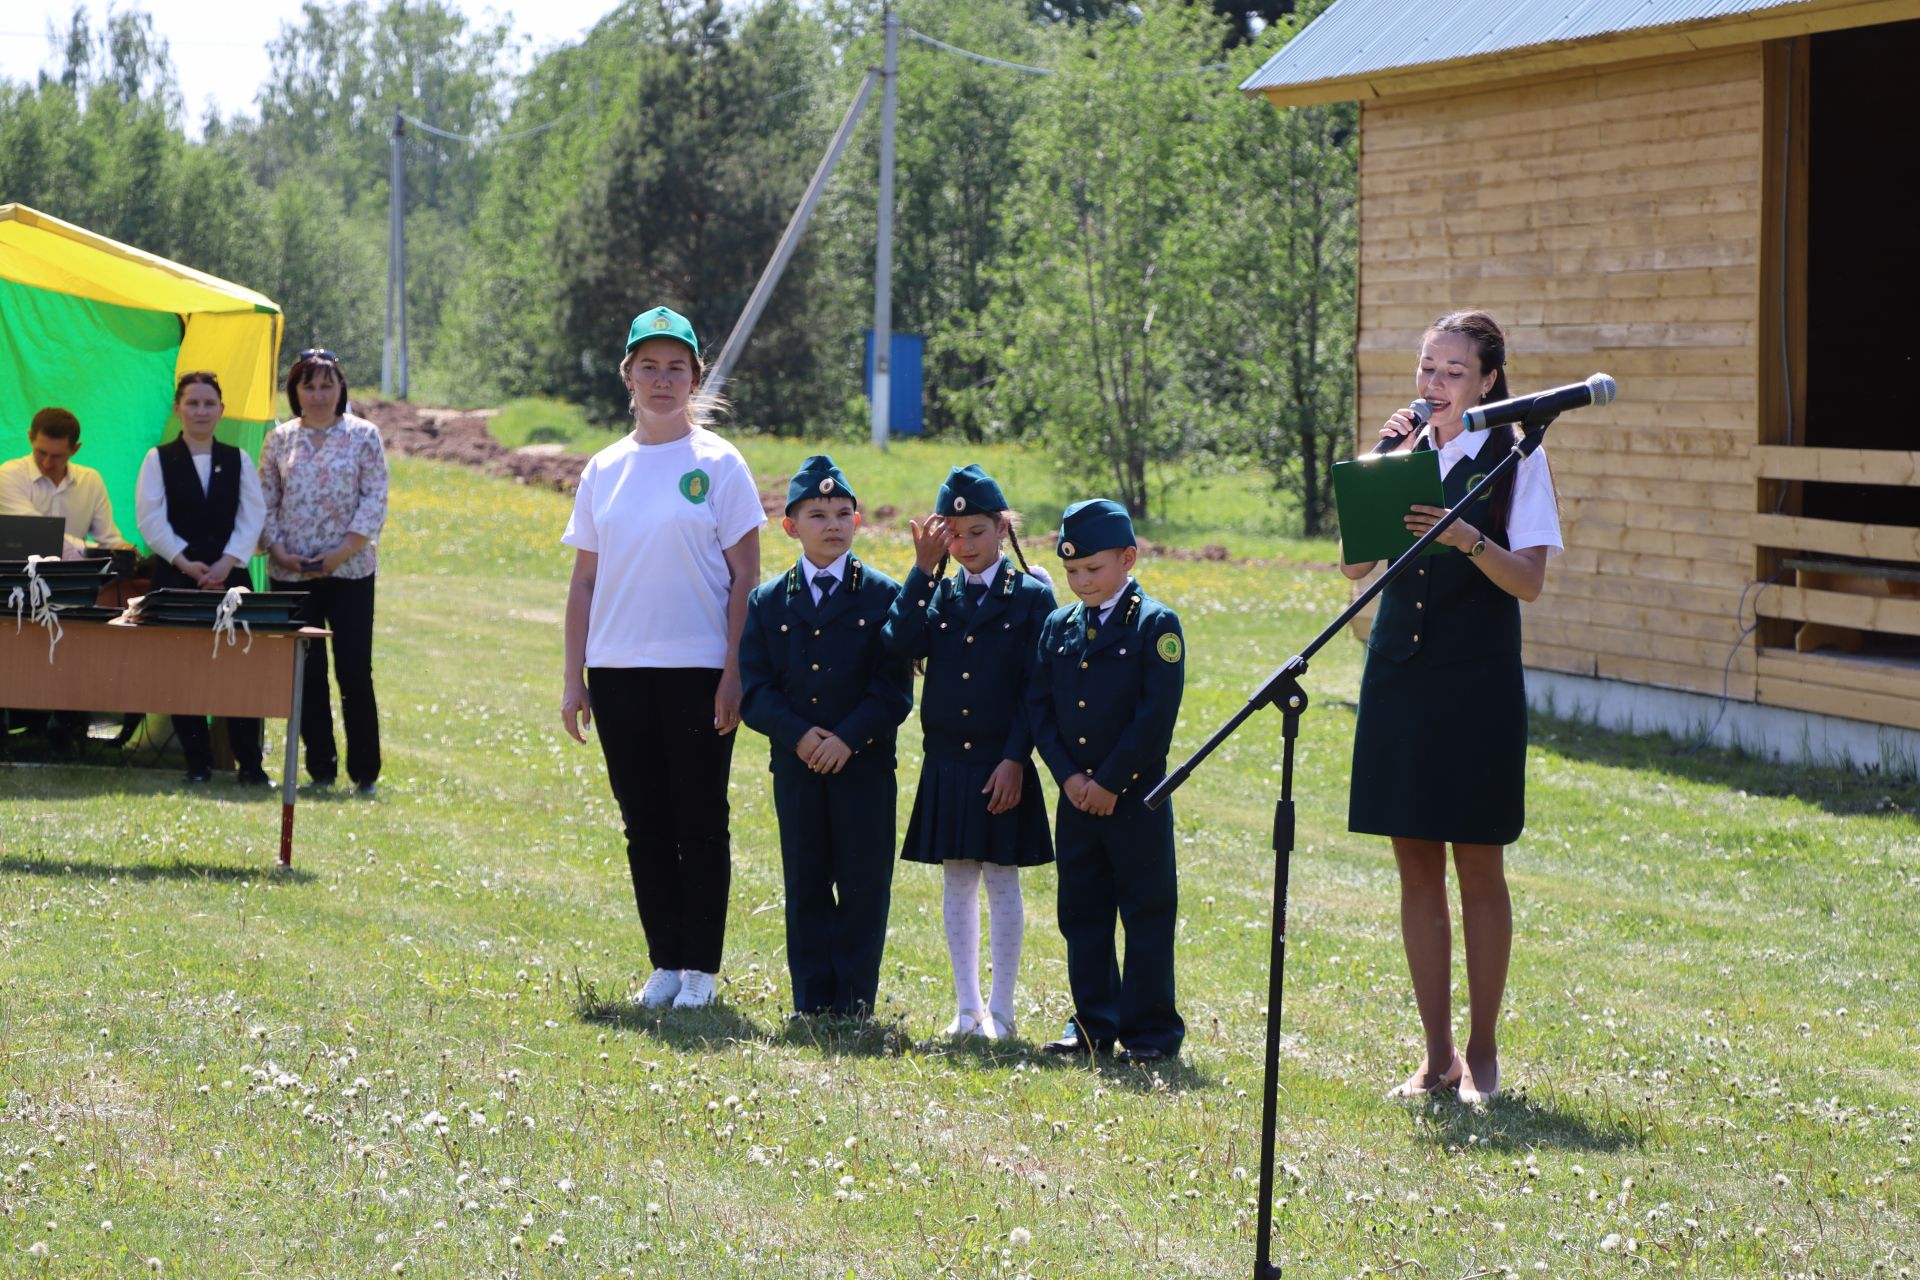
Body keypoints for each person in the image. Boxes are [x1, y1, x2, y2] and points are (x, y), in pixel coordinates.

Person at [1340, 309, 1563, 1105]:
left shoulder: (1516, 457)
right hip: (1400, 674)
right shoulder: (1399, 451)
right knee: (1414, 867)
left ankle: (1484, 1051)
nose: (1434, 386)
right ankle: (1435, 1058)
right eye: (1427, 369)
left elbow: (1529, 582)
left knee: (1479, 864)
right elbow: (1354, 564)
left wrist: (1466, 538)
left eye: (1452, 372)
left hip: (1476, 684)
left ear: (1489, 381)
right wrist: (1382, 460)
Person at [561, 306, 766, 1012]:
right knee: (643, 823)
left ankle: (701, 970)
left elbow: (747, 578)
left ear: (695, 377)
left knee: (698, 820)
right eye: (648, 366)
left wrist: (735, 672)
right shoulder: (605, 468)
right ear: (627, 375)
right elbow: (584, 580)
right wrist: (573, 679)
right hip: (617, 671)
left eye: (675, 366)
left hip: (701, 671)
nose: (661, 379)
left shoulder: (719, 464)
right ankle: (664, 963)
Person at [882, 464, 1055, 1040]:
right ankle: (967, 1010)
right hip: (948, 760)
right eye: (953, 534)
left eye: (977, 531)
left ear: (1003, 529)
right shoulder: (939, 593)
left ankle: (1002, 1015)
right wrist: (922, 570)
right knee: (957, 879)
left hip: (1002, 761)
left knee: (1002, 879)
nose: (966, 545)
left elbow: (1038, 689)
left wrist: (1015, 758)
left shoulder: (1031, 596)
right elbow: (895, 644)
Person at [739, 455, 912, 1020]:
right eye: (817, 514)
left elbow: (893, 691)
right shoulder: (768, 600)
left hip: (862, 767)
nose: (832, 524)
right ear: (791, 527)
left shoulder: (882, 595)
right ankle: (811, 1001)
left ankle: (855, 1002)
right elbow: (755, 690)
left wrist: (846, 740)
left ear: (857, 521)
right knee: (806, 881)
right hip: (796, 767)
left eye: (843, 513)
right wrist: (799, 736)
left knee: (863, 885)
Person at [1028, 499, 1186, 1065]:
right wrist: (1069, 777)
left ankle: (1149, 1031)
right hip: (1075, 800)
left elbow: (1154, 717)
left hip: (1135, 799)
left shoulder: (1154, 624)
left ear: (1128, 558)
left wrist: (1110, 782)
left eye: (1093, 569)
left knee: (1145, 910)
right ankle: (1094, 1022)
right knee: (1083, 912)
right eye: (1071, 571)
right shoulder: (1057, 625)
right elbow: (1039, 709)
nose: (1080, 581)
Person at [259, 350, 389, 796]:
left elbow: (375, 499)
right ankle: (320, 768)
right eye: (308, 386)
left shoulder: (364, 436)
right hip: (290, 573)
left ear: (341, 390)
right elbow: (266, 499)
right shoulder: (279, 439)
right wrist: (277, 549)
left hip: (350, 571)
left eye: (326, 386)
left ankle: (365, 772)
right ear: (295, 392)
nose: (318, 395)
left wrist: (338, 553)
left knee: (353, 671)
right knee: (305, 672)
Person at [133, 372, 270, 786]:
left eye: (209, 404)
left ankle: (249, 764)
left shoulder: (239, 459)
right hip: (177, 578)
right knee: (183, 671)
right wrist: (187, 562)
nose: (201, 411)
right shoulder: (158, 459)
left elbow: (252, 516)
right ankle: (197, 763)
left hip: (233, 581)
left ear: (221, 411)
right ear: (178, 408)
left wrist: (228, 563)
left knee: (240, 672)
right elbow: (150, 519)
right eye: (193, 403)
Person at [0, 407, 127, 558]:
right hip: (22, 577)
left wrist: (124, 549)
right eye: (41, 452)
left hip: (76, 577)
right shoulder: (9, 474)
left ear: (75, 449)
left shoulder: (91, 480)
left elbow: (109, 539)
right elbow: (35, 534)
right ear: (30, 438)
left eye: (57, 456)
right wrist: (92, 549)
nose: (47, 463)